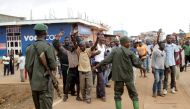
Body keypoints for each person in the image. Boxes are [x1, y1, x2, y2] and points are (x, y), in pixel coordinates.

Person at [94, 37, 145, 109]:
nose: (130, 44)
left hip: (118, 76)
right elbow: (137, 63)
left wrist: (97, 65)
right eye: (128, 42)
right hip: (128, 76)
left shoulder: (114, 51)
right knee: (134, 94)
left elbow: (106, 60)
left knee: (117, 94)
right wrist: (142, 63)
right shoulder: (130, 52)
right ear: (125, 43)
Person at [25, 23, 57, 109]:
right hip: (45, 85)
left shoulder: (29, 48)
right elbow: (53, 66)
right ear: (45, 33)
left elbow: (27, 67)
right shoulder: (48, 47)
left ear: (35, 33)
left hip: (34, 85)